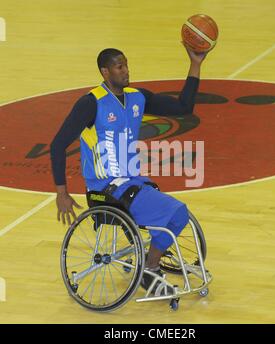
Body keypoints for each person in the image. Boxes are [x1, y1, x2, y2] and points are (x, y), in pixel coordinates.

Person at [50, 44, 207, 294]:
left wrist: (195, 64)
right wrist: (62, 193)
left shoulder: (137, 97)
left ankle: (148, 259)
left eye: (126, 65)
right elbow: (57, 145)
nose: (126, 71)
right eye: (119, 66)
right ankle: (149, 267)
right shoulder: (90, 104)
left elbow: (183, 108)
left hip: (133, 181)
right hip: (105, 187)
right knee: (176, 212)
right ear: (105, 71)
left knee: (175, 214)